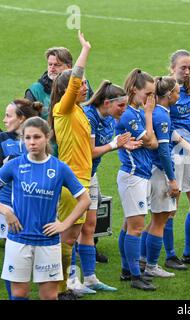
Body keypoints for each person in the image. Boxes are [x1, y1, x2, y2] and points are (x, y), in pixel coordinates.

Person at [0, 117, 90, 300]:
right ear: (22, 139)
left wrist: (64, 224)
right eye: (27, 138)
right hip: (18, 239)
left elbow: (84, 200)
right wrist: (6, 211)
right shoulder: (14, 165)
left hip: (48, 242)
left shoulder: (59, 168)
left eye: (37, 137)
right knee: (18, 294)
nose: (32, 142)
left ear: (47, 136)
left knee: (49, 296)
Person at [66, 81, 141, 295]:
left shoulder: (108, 118)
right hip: (75, 178)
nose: (124, 110)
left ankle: (89, 279)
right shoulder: (88, 116)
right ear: (107, 102)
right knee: (72, 232)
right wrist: (114, 145)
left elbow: (107, 145)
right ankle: (71, 281)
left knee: (90, 227)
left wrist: (120, 143)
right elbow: (88, 152)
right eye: (121, 106)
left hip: (91, 175)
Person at [48, 30, 94, 300]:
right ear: (68, 90)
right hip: (71, 183)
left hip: (81, 180)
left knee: (71, 237)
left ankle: (63, 285)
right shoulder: (62, 109)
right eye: (81, 84)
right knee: (66, 238)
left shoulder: (77, 110)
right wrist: (85, 50)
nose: (84, 86)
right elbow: (75, 80)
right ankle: (59, 288)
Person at [157, 49, 190, 270]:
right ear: (172, 68)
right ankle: (170, 255)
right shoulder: (165, 91)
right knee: (171, 209)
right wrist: (189, 148)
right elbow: (165, 128)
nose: (187, 71)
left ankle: (189, 252)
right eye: (183, 68)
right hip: (173, 154)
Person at [143, 76, 190, 277]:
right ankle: (151, 265)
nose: (179, 94)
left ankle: (142, 261)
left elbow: (172, 138)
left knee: (154, 220)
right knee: (159, 220)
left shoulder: (159, 113)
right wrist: (173, 179)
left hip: (153, 171)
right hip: (160, 172)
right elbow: (164, 152)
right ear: (169, 95)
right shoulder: (162, 116)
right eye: (177, 92)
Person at [116, 68, 158, 291]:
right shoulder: (130, 114)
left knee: (128, 224)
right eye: (147, 94)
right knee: (136, 227)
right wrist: (150, 114)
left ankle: (127, 269)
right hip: (133, 175)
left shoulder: (136, 111)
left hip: (139, 174)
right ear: (134, 90)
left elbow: (152, 142)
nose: (150, 99)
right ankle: (135, 276)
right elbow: (150, 140)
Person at [0, 99, 43, 299]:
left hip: (27, 206)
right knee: (11, 255)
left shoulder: (36, 143)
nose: (4, 120)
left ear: (22, 119)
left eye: (9, 116)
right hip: (4, 206)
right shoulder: (2, 140)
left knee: (18, 256)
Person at [25, 47, 73, 120]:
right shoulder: (35, 91)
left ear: (69, 67)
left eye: (57, 65)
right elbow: (27, 122)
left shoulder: (83, 86)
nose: (52, 68)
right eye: (50, 64)